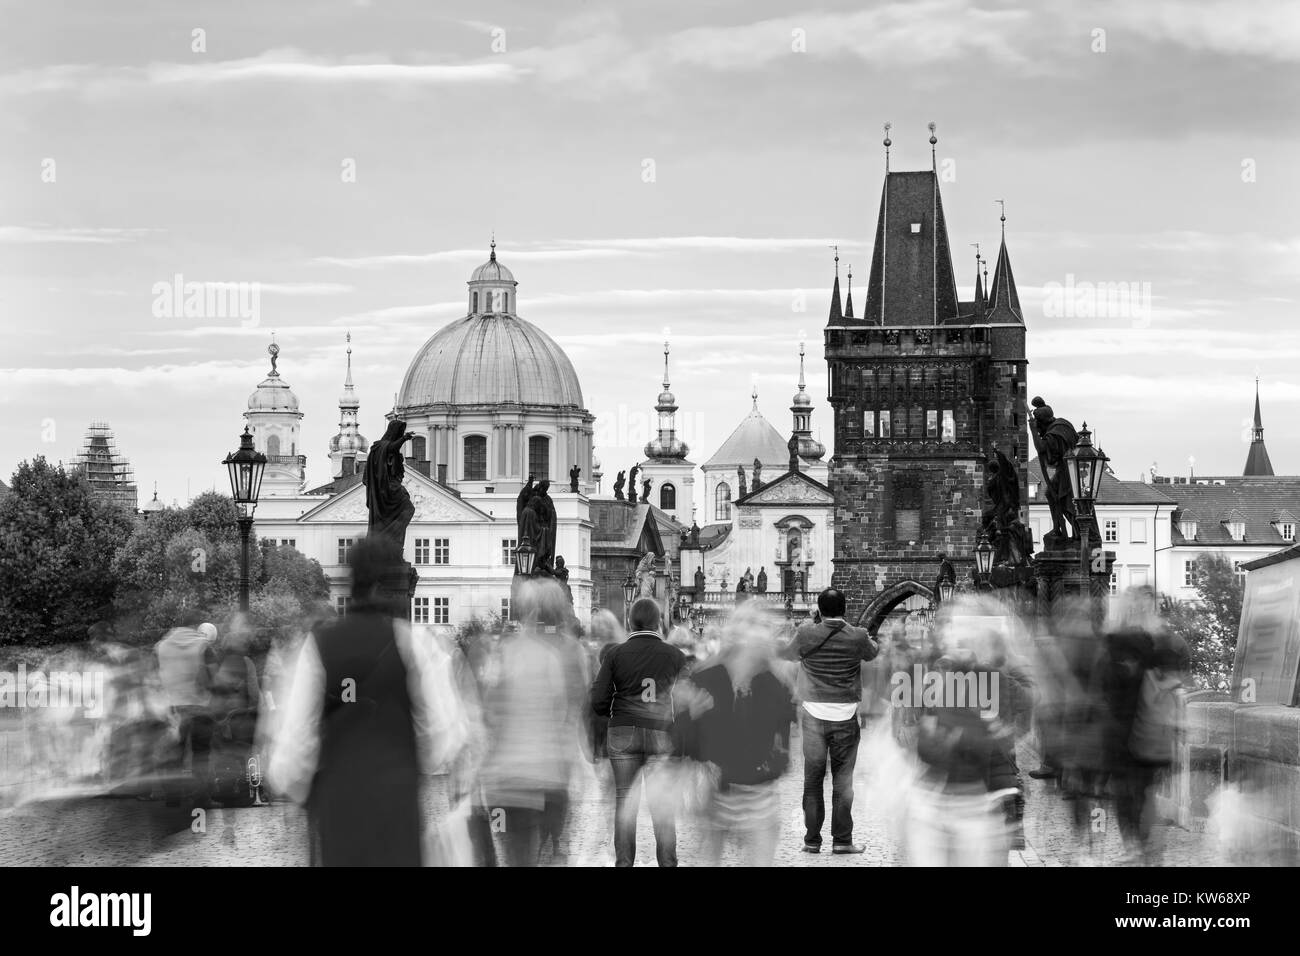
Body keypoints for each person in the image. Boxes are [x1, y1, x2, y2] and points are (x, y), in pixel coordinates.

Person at [268, 537, 469, 866]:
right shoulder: (415, 643)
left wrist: (302, 787)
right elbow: (444, 730)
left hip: (339, 802)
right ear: (387, 586)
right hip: (396, 801)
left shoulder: (317, 645)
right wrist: (408, 764)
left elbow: (294, 737)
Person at [692, 603, 795, 865]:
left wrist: (771, 764)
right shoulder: (709, 676)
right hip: (718, 790)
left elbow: (783, 739)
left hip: (759, 791)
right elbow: (688, 732)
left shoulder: (775, 682)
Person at [589, 596, 687, 867]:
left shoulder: (615, 654)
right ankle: (667, 863)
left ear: (630, 622)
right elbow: (687, 700)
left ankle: (624, 863)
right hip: (661, 732)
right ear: (658, 623)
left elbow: (597, 699)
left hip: (623, 730)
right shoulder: (675, 655)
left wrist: (615, 712)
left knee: (625, 802)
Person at [780, 587, 878, 854]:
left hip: (812, 715)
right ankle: (842, 841)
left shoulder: (806, 632)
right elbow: (872, 653)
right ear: (844, 609)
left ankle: (812, 841)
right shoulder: (856, 635)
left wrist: (811, 625)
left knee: (812, 781)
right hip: (845, 716)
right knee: (842, 782)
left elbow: (787, 655)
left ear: (819, 610)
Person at [155, 610, 217, 805]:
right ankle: (201, 798)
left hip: (173, 708)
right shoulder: (203, 646)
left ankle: (173, 796)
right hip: (200, 707)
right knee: (200, 754)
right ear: (195, 625)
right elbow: (214, 676)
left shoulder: (161, 646)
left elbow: (155, 677)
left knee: (175, 754)